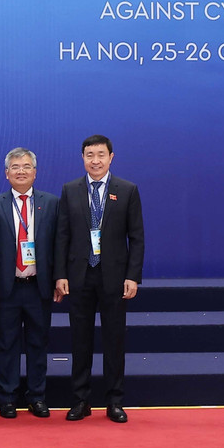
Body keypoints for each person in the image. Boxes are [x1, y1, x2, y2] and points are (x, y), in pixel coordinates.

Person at [55, 134, 144, 423]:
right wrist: (60, 275)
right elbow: (62, 236)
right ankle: (81, 400)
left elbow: (137, 238)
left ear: (111, 157)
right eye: (89, 155)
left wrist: (133, 276)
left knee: (114, 341)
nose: (95, 160)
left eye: (101, 155)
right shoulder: (70, 190)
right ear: (82, 158)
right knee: (80, 341)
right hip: (79, 277)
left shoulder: (127, 190)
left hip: (114, 279)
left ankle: (114, 401)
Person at [0, 148, 58, 419]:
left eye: (26, 166)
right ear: (6, 173)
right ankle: (7, 397)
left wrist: (58, 278)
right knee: (6, 344)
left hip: (38, 286)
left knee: (37, 343)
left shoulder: (51, 203)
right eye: (15, 167)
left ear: (35, 172)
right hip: (6, 287)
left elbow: (59, 244)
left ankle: (37, 396)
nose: (21, 171)